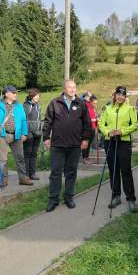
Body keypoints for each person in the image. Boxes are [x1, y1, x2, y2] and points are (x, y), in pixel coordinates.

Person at [43, 79, 92, 212]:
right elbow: (48, 121)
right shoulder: (55, 103)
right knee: (55, 173)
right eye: (69, 87)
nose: (72, 89)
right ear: (64, 89)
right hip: (58, 145)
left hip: (75, 144)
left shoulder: (81, 104)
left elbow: (87, 123)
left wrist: (86, 139)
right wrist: (46, 137)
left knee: (71, 172)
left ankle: (69, 197)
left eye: (74, 87)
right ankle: (53, 199)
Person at [99, 86, 138, 212]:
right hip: (110, 141)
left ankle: (131, 198)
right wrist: (107, 132)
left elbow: (135, 125)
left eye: (123, 95)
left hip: (123, 142)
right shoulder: (107, 108)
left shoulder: (130, 108)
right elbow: (101, 123)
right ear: (115, 95)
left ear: (125, 96)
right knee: (113, 170)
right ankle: (116, 196)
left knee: (126, 170)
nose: (120, 97)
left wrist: (122, 131)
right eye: (118, 94)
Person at [0, 86, 33, 187]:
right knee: (3, 159)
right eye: (13, 93)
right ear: (6, 94)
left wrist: (24, 133)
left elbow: (23, 121)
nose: (16, 94)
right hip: (2, 135)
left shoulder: (19, 106)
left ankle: (23, 179)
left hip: (17, 135)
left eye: (16, 93)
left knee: (20, 157)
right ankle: (4, 180)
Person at [23, 88, 43, 181]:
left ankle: (33, 173)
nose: (38, 97)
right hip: (29, 132)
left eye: (39, 96)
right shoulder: (26, 106)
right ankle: (26, 174)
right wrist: (24, 133)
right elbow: (23, 120)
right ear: (32, 96)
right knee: (27, 154)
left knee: (34, 154)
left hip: (37, 133)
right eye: (37, 96)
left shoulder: (38, 106)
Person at [82, 95, 98, 164]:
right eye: (94, 103)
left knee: (89, 144)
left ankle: (87, 157)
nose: (95, 105)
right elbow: (85, 119)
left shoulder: (92, 108)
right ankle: (85, 158)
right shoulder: (86, 107)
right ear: (90, 102)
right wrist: (94, 119)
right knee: (86, 143)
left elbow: (94, 117)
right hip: (87, 128)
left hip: (93, 128)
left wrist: (97, 120)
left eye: (96, 103)